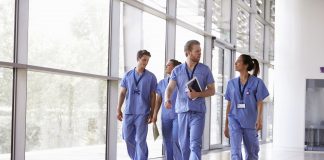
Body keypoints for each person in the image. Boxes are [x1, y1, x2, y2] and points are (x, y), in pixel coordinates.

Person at [165, 40, 215, 160]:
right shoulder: (177, 70)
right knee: (184, 146)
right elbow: (170, 87)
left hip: (198, 112)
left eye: (200, 51)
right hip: (182, 112)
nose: (199, 53)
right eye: (197, 51)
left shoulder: (205, 69)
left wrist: (198, 93)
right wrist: (167, 99)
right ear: (188, 53)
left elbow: (212, 90)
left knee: (195, 145)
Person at [224, 54, 269, 160]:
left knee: (252, 152)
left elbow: (259, 102)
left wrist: (259, 119)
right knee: (235, 151)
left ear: (246, 65)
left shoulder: (257, 82)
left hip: (250, 121)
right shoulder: (231, 83)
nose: (235, 63)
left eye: (238, 61)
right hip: (234, 119)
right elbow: (229, 104)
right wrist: (226, 125)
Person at [117, 50, 157, 160]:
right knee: (127, 137)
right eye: (144, 60)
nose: (146, 62)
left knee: (140, 140)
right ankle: (136, 158)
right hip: (129, 112)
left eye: (147, 60)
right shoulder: (128, 75)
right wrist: (118, 109)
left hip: (143, 113)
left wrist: (152, 112)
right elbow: (122, 93)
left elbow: (153, 96)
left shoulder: (151, 77)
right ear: (138, 59)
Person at [152, 59, 182, 160]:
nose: (166, 67)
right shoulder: (162, 83)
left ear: (175, 68)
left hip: (178, 115)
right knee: (166, 141)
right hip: (165, 117)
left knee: (175, 139)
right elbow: (158, 100)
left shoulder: (181, 82)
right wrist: (155, 114)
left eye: (168, 65)